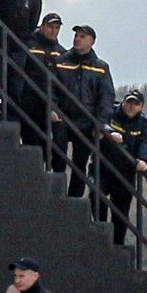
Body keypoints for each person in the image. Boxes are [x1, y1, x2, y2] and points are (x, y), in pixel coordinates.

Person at [53, 25, 114, 201]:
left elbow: (106, 97)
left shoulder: (101, 67)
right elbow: (52, 88)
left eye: (82, 36)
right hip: (63, 117)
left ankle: (74, 200)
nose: (77, 39)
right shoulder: (62, 61)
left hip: (87, 122)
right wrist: (53, 109)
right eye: (76, 35)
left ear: (92, 41)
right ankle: (56, 191)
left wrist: (101, 123)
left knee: (80, 163)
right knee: (58, 154)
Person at [99, 89, 147, 246]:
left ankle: (117, 245)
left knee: (121, 213)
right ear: (123, 102)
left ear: (141, 107)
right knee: (96, 196)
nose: (131, 106)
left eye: (135, 104)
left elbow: (145, 143)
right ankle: (100, 233)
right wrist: (108, 132)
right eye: (129, 102)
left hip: (125, 172)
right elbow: (101, 122)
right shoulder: (111, 112)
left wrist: (144, 159)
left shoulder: (143, 124)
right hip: (103, 166)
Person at [14, 11, 66, 149]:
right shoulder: (27, 45)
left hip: (48, 103)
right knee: (29, 141)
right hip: (28, 100)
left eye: (57, 28)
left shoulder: (61, 52)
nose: (53, 31)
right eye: (50, 27)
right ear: (42, 26)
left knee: (44, 144)